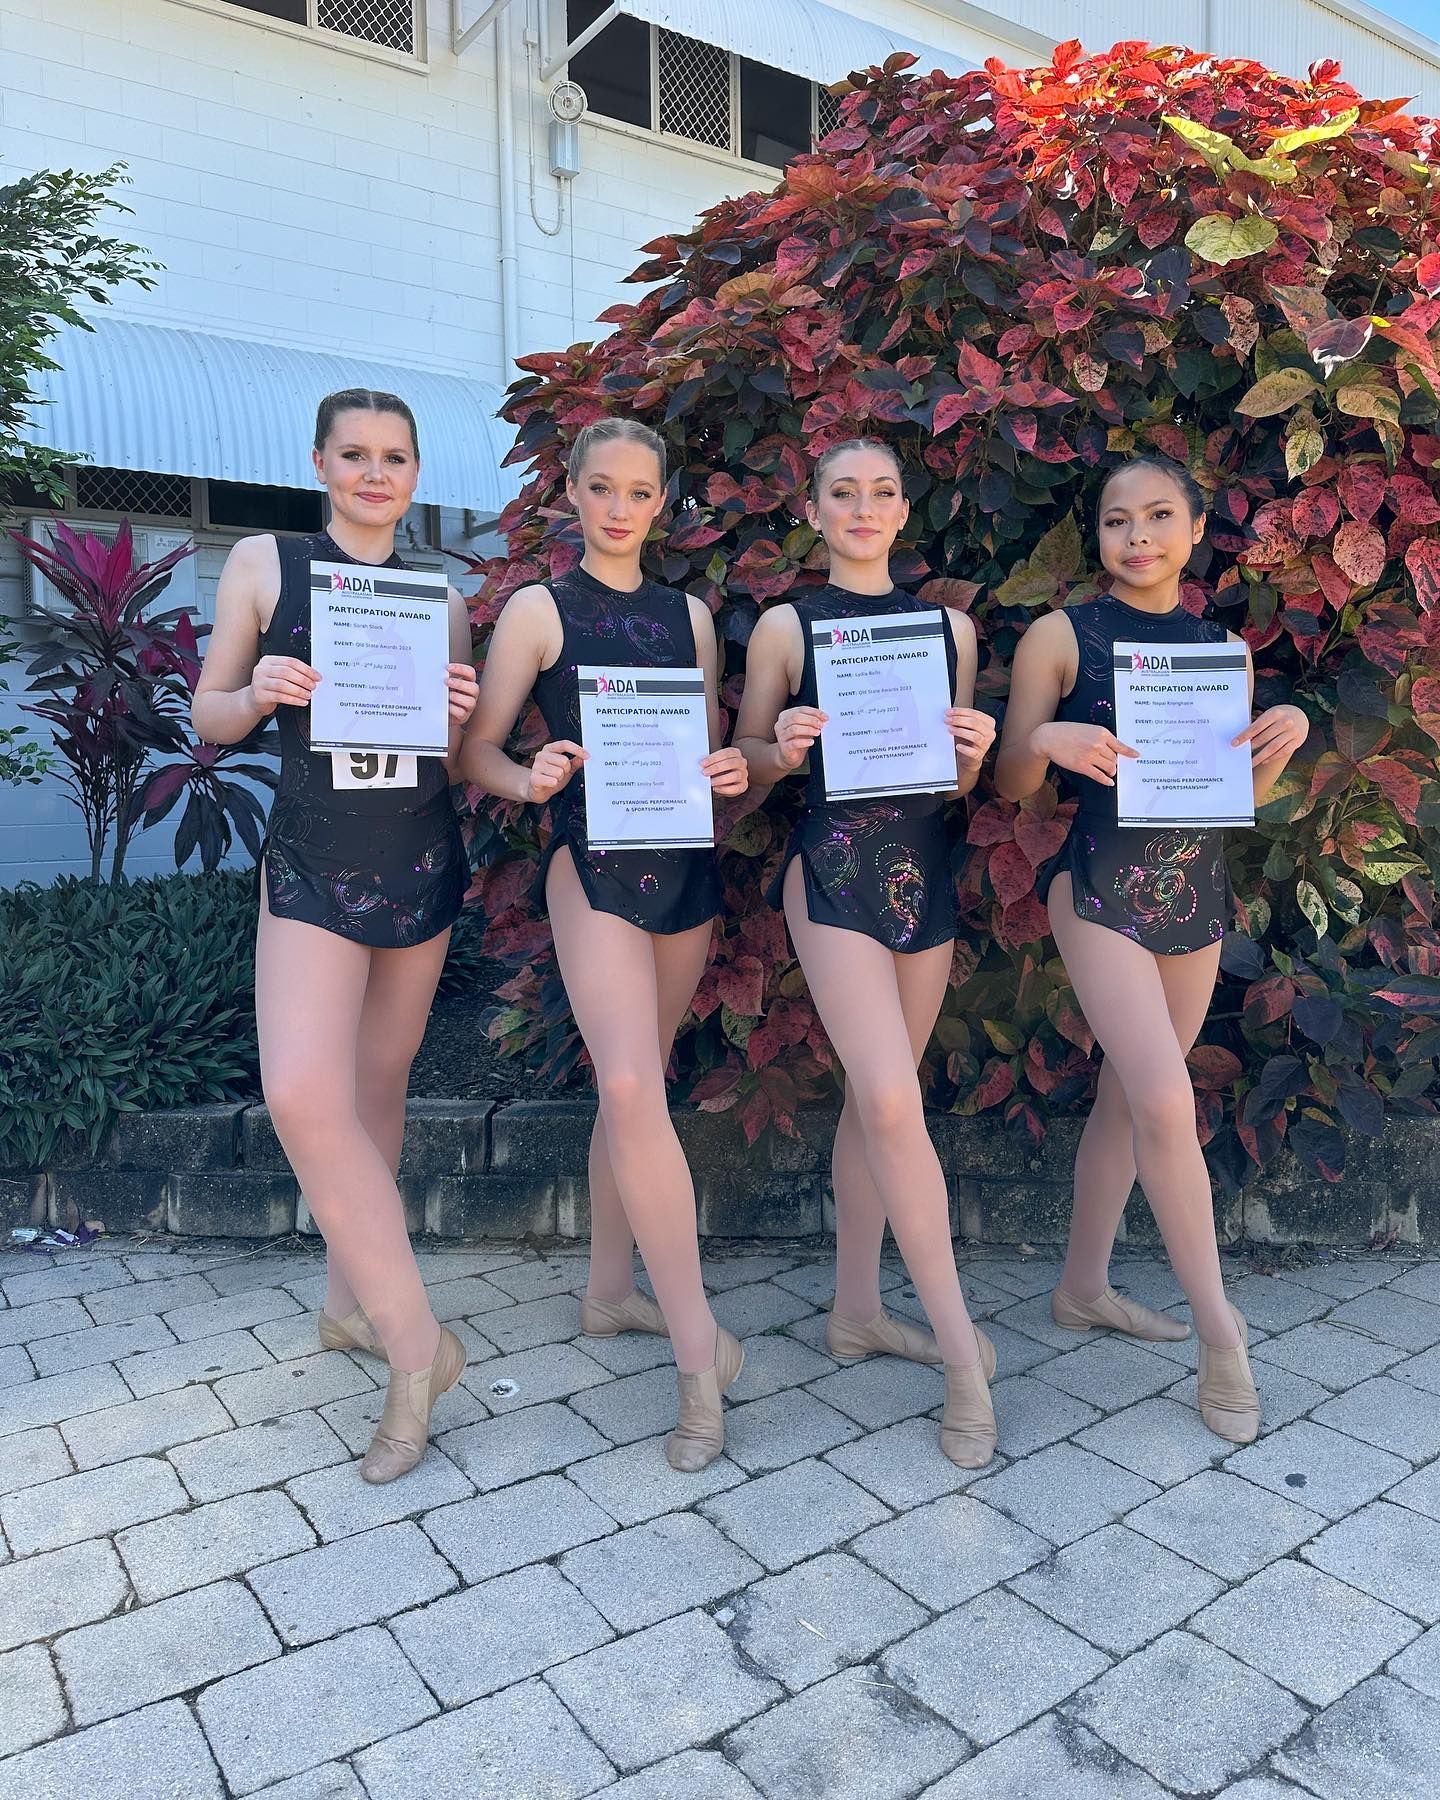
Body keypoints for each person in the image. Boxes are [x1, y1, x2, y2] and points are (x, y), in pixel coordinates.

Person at [192, 387, 479, 1484]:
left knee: (379, 1089)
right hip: (312, 857)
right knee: (305, 1093)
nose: (374, 472)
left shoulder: (438, 595)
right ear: (319, 461)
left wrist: (457, 714)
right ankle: (419, 1353)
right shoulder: (268, 563)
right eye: (354, 454)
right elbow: (207, 715)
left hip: (417, 854)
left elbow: (445, 752)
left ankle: (349, 1305)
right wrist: (257, 689)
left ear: (415, 473)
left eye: (393, 457)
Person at [994, 454, 1310, 1444]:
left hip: (1192, 890)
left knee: (1136, 1099)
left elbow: (1232, 800)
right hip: (1094, 883)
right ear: (1097, 537)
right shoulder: (1061, 635)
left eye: (1160, 516)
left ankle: (1083, 1287)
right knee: (1168, 1097)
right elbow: (1006, 784)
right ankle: (1221, 1332)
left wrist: (1285, 735)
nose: (1138, 536)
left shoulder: (1222, 649)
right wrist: (1044, 743)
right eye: (1118, 519)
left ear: (1197, 526)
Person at [463, 418, 749, 1472]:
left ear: (662, 502)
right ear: (571, 496)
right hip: (590, 872)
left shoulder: (692, 616)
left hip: (684, 874)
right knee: (631, 1089)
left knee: (637, 1090)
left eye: (640, 490)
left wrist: (733, 772)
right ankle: (695, 1356)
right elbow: (477, 752)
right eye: (601, 487)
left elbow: (709, 751)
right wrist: (526, 776)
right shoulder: (540, 609)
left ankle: (607, 1292)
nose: (621, 507)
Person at [733, 438, 1000, 1468]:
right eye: (841, 492)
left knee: (872, 1103)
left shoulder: (952, 628)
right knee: (893, 1101)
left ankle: (855, 1312)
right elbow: (747, 773)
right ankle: (962, 1358)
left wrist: (973, 760)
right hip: (833, 876)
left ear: (903, 510)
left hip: (922, 880)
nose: (862, 507)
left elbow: (955, 787)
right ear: (814, 507)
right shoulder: (786, 626)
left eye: (880, 491)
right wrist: (778, 745)